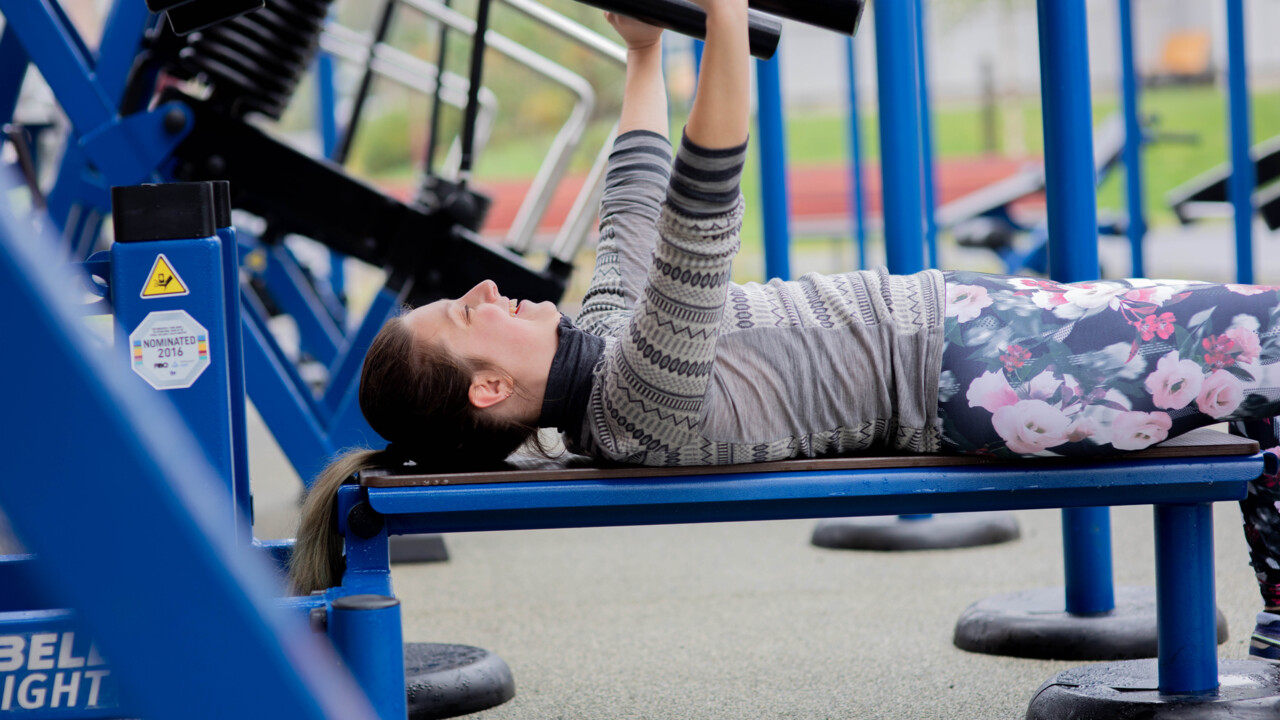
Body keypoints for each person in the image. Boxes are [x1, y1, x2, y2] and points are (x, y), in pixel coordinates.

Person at [289, 0, 1280, 663]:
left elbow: (636, 194)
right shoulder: (635, 401)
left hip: (990, 343)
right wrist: (721, 15)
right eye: (470, 317)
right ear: (486, 390)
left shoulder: (603, 348)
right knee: (1268, 346)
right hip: (996, 372)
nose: (487, 291)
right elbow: (701, 204)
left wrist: (644, 49)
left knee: (1258, 363)